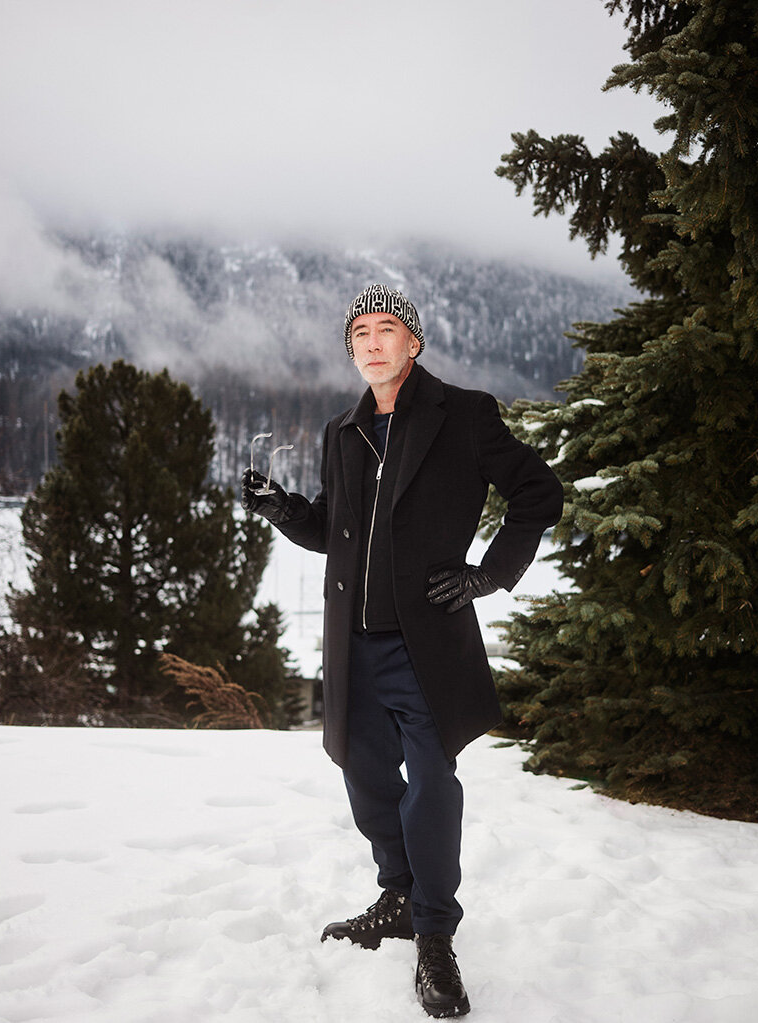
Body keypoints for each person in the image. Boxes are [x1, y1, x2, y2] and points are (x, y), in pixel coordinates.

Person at [240, 283, 563, 1018]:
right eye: (360, 332)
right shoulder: (341, 430)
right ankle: (397, 893)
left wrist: (488, 573)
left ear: (413, 343)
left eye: (388, 328)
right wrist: (283, 509)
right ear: (351, 349)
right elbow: (334, 529)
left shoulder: (466, 415)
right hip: (353, 646)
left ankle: (435, 934)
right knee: (365, 777)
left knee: (431, 784)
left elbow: (539, 494)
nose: (373, 341)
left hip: (425, 644)